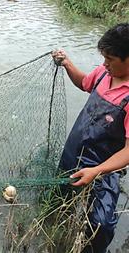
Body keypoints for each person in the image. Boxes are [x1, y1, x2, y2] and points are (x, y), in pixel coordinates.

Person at [53, 23, 129, 253]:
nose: (105, 63)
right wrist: (67, 63)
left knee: (99, 225)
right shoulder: (104, 73)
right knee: (57, 202)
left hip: (103, 168)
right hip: (72, 154)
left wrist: (96, 172)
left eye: (111, 58)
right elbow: (84, 82)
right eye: (103, 57)